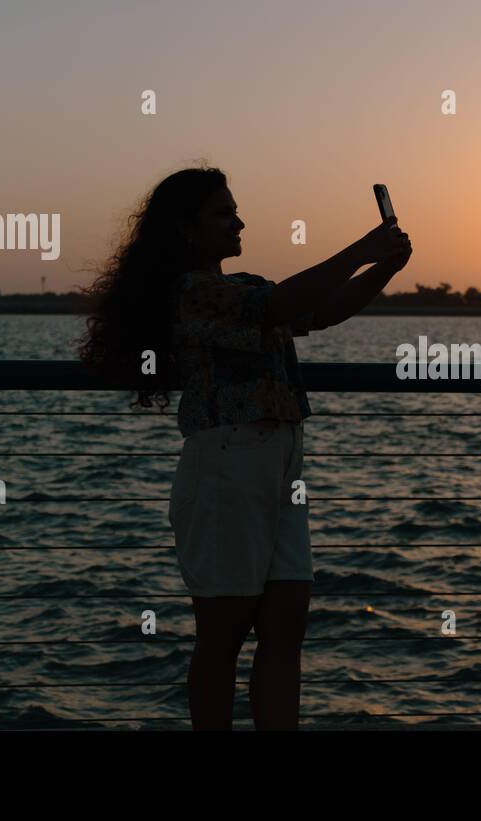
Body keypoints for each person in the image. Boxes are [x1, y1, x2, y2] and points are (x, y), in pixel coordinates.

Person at [77, 164, 411, 729]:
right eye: (223, 213)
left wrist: (384, 266)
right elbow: (279, 307)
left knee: (286, 624)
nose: (239, 221)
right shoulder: (192, 291)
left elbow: (319, 311)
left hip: (280, 462)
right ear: (186, 229)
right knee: (225, 628)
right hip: (226, 464)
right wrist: (363, 248)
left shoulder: (243, 286)